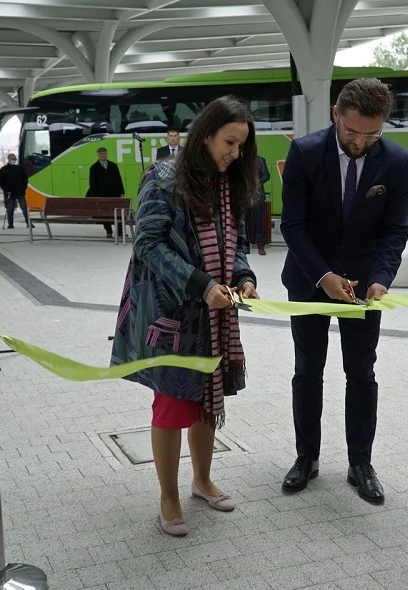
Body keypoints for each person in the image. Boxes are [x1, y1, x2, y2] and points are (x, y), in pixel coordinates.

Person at [111, 96, 260, 536]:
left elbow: (238, 242)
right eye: (229, 143)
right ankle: (168, 495)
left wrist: (243, 276)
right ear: (206, 135)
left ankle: (201, 479)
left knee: (206, 400)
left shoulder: (227, 182)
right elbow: (148, 245)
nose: (234, 154)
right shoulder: (162, 179)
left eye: (240, 146)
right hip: (172, 315)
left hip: (215, 314)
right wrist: (202, 285)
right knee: (174, 404)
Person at [279, 78, 408, 505]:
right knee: (308, 371)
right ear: (337, 114)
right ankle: (307, 458)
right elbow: (293, 226)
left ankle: (361, 464)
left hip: (363, 290)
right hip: (308, 280)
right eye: (353, 132)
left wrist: (381, 278)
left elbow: (395, 229)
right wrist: (323, 276)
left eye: (372, 134)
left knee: (361, 373)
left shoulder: (394, 161)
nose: (360, 142)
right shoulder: (304, 152)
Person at [87, 146, 125, 238]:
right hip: (102, 195)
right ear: (98, 155)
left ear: (107, 154)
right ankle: (109, 231)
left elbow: (119, 179)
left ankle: (120, 232)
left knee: (118, 213)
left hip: (115, 194)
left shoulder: (113, 165)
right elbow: (92, 183)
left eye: (104, 153)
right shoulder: (93, 168)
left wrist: (122, 192)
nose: (103, 155)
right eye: (101, 153)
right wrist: (94, 196)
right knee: (105, 214)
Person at [0, 153, 30, 229]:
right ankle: (10, 224)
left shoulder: (19, 168)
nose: (14, 160)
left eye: (15, 159)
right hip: (10, 193)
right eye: (12, 159)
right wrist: (6, 190)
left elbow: (25, 179)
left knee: (24, 208)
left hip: (20, 191)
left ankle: (28, 222)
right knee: (10, 209)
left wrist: (23, 188)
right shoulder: (3, 170)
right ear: (8, 159)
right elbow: (0, 181)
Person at [247, 155, 271, 255]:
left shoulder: (261, 160)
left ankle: (261, 246)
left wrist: (257, 182)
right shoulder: (240, 161)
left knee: (259, 221)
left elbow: (267, 175)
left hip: (258, 195)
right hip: (244, 195)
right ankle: (245, 245)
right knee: (244, 222)